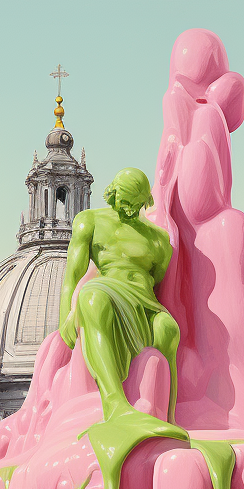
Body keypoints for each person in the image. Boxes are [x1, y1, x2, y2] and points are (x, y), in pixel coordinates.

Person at [59, 167, 182, 428]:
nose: (128, 210)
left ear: (144, 202)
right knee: (92, 297)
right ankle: (114, 402)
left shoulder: (159, 238)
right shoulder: (89, 221)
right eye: (125, 202)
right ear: (112, 193)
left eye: (135, 205)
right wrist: (65, 317)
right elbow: (73, 275)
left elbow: (157, 280)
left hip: (143, 300)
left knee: (168, 328)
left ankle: (169, 418)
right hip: (106, 289)